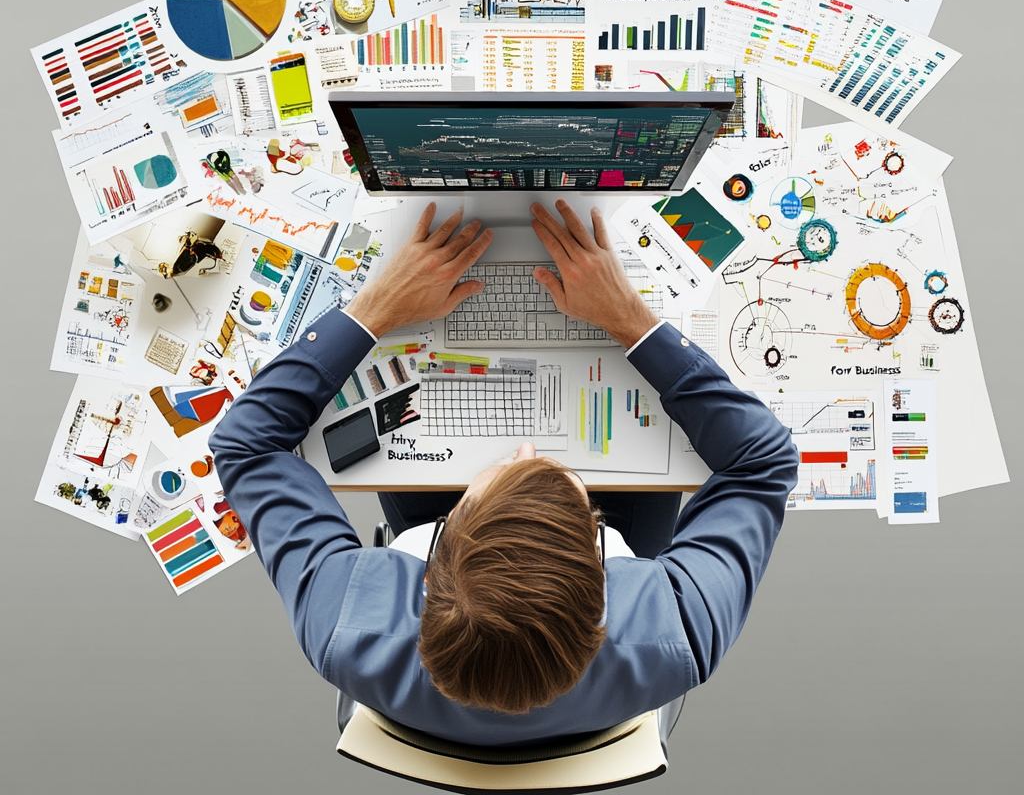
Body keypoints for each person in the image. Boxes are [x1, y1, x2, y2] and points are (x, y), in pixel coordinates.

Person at [209, 200, 798, 747]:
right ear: (607, 584)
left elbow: (246, 443)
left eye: (486, 489)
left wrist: (375, 310)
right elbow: (763, 459)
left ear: (431, 560)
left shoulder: (349, 624)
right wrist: (632, 322)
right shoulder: (674, 635)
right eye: (563, 487)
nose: (525, 449)